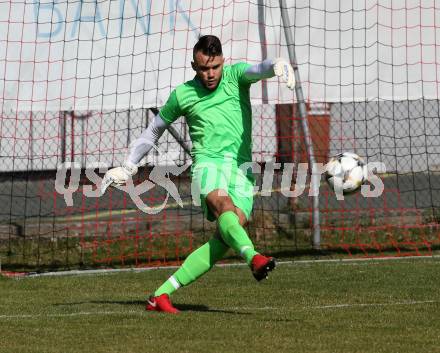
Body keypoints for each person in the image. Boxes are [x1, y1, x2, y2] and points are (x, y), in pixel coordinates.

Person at [101, 35, 295, 314]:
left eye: (215, 66)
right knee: (224, 208)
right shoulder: (183, 94)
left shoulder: (235, 76)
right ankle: (254, 257)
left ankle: (161, 295)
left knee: (227, 235)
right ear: (194, 65)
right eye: (204, 68)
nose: (210, 74)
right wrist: (129, 165)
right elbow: (155, 129)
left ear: (222, 62)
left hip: (241, 170)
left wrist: (275, 65)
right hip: (208, 165)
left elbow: (257, 69)